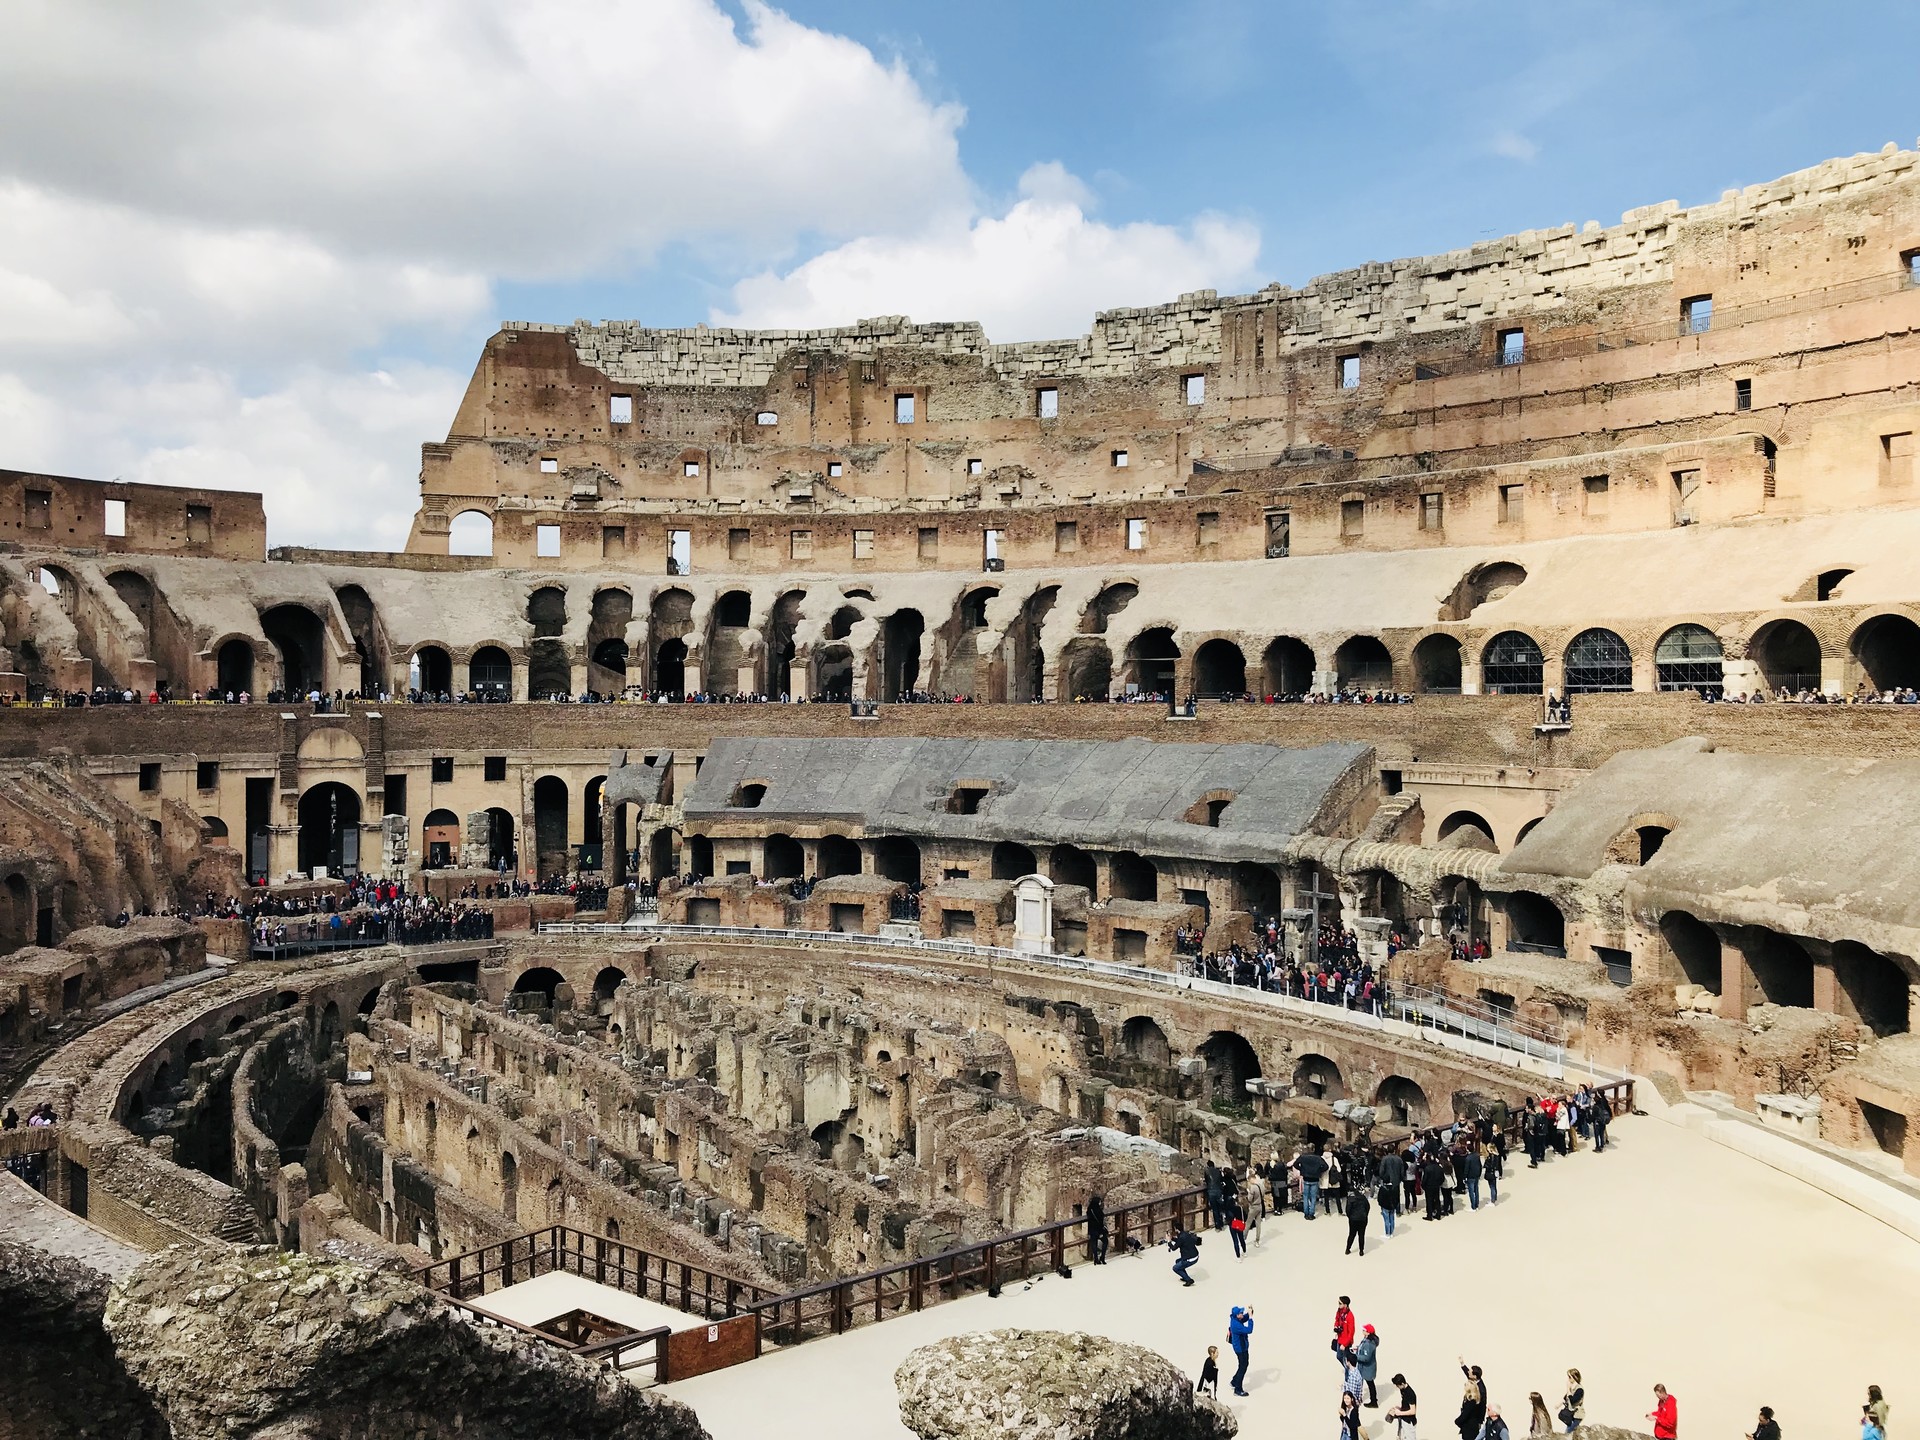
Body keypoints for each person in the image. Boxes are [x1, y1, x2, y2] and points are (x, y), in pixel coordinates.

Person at [1457, 1361, 1488, 1440]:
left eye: (1470, 1372)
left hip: (1473, 1420)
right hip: (1470, 1420)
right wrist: (1462, 1364)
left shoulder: (1481, 1390)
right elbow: (1468, 1373)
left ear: (1474, 1376)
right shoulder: (1475, 1380)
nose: (1468, 1373)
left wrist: (1480, 1421)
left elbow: (1482, 1405)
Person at [1377, 1148, 1405, 1236]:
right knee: (1396, 1197)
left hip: (1387, 1180)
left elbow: (1381, 1171)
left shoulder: (1384, 1159)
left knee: (1385, 1197)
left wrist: (1383, 1177)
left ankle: (1387, 1231)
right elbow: (1402, 1171)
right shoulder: (1399, 1159)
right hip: (1396, 1181)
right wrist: (1400, 1179)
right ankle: (1398, 1211)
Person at [1297, 1145, 1329, 1219]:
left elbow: (1295, 1164)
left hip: (1306, 1178)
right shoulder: (1318, 1158)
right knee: (1313, 1197)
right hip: (1315, 1178)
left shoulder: (1303, 1157)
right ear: (1314, 1149)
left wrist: (1302, 1170)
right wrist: (1319, 1171)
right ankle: (1311, 1214)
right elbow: (1326, 1166)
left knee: (1305, 1197)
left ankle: (1306, 1213)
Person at [1227, 1304, 1253, 1397]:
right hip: (1241, 1348)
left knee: (1243, 1365)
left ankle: (1234, 1381)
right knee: (1243, 1366)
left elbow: (1244, 1318)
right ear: (1237, 1315)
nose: (1242, 1314)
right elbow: (1249, 1330)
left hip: (1240, 1347)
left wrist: (1250, 1312)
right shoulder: (1236, 1325)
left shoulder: (1235, 1319)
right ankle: (1238, 1389)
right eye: (1241, 1313)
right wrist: (1250, 1318)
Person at [1387, 1373, 1420, 1440]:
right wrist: (1399, 1408)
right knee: (1400, 1437)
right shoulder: (1402, 1389)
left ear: (1402, 1384)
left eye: (1398, 1385)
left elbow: (1413, 1411)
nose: (1397, 1387)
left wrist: (1399, 1413)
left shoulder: (1410, 1394)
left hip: (1409, 1422)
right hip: (1403, 1420)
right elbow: (1406, 1404)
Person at [1355, 1324, 1381, 1407]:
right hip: (1365, 1368)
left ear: (1368, 1333)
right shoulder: (1366, 1340)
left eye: (1364, 1330)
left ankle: (1374, 1401)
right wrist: (1358, 1349)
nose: (1362, 1331)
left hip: (1367, 1368)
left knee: (1370, 1384)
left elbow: (1366, 1358)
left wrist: (1356, 1356)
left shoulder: (1369, 1344)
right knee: (1369, 1384)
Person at [1345, 1184, 1371, 1256]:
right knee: (1361, 1235)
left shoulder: (1350, 1199)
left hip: (1353, 1219)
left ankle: (1348, 1249)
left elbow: (1348, 1210)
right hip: (1363, 1218)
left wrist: (1350, 1216)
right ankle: (1361, 1251)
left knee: (1351, 1234)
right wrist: (1365, 1215)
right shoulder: (1363, 1198)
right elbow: (1368, 1207)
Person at [1086, 1193, 1109, 1265]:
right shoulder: (1098, 1210)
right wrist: (1101, 1232)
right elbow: (1101, 1221)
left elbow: (1089, 1221)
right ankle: (1102, 1257)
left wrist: (1089, 1232)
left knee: (1094, 1244)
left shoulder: (1090, 1210)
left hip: (1092, 1230)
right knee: (1105, 1242)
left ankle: (1096, 1259)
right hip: (1099, 1230)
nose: (1100, 1203)